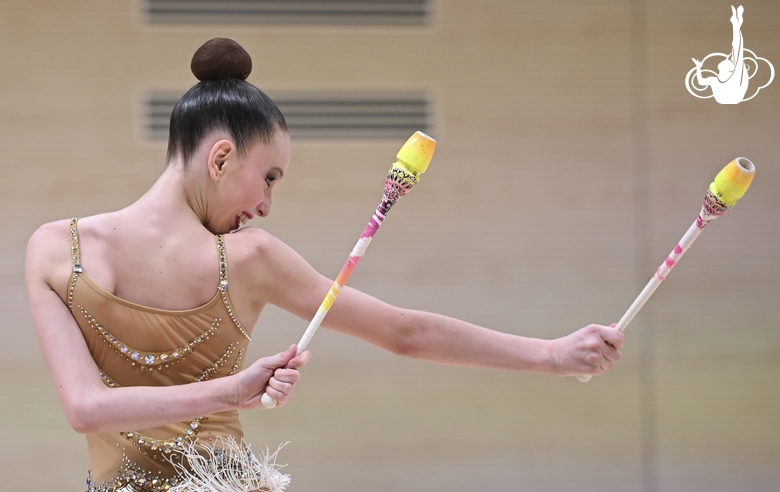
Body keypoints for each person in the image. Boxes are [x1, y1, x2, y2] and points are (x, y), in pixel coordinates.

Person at [25, 38, 624, 492]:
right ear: (221, 157)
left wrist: (554, 354)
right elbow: (84, 409)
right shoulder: (247, 258)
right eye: (269, 178)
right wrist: (550, 356)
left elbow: (403, 330)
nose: (265, 205)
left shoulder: (57, 250)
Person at [692, 5, 748, 104]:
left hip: (733, 96)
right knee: (737, 51)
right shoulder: (715, 80)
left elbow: (737, 49)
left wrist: (698, 67)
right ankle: (736, 23)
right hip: (728, 98)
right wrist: (698, 67)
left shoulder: (734, 77)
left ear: (729, 69)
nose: (724, 59)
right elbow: (701, 82)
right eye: (727, 60)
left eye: (726, 61)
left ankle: (736, 23)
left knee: (737, 51)